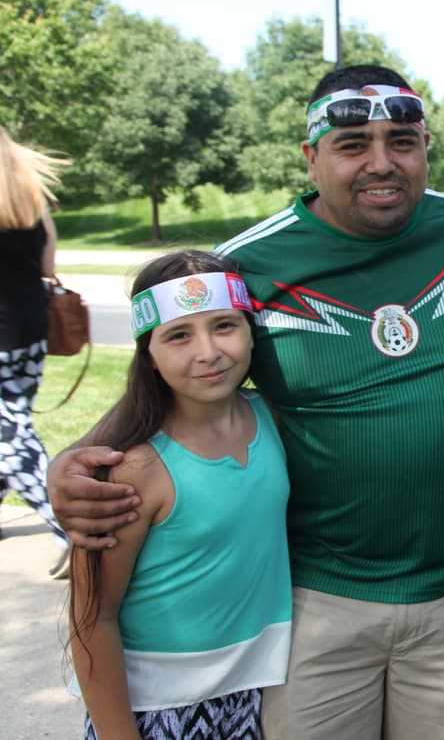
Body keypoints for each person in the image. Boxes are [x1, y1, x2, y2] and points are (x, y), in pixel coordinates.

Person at [48, 65, 444, 740]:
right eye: (353, 144)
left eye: (402, 141)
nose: (381, 163)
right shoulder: (247, 265)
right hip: (314, 601)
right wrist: (75, 460)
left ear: (425, 146)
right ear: (310, 157)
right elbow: (172, 372)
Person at [69, 250, 290, 739]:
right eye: (179, 335)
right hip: (162, 711)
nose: (208, 352)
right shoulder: (135, 469)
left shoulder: (269, 419)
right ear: (148, 354)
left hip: (260, 692)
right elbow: (92, 618)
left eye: (225, 326)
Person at [0, 125, 72, 578]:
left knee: (10, 434)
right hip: (30, 330)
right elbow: (48, 266)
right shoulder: (27, 193)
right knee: (10, 421)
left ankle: (69, 524)